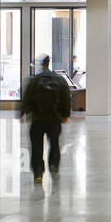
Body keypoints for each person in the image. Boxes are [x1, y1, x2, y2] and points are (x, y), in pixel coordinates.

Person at [21, 55, 72, 186]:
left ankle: (38, 173)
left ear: (41, 65)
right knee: (54, 143)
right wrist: (65, 114)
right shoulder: (60, 80)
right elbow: (66, 97)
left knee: (37, 146)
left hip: (37, 119)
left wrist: (23, 113)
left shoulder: (34, 80)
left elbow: (27, 98)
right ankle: (54, 167)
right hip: (54, 118)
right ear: (49, 64)